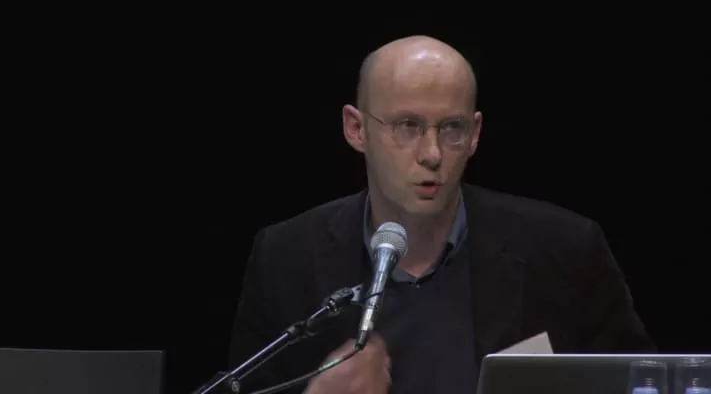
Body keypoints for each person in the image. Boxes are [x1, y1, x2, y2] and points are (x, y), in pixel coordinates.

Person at [227, 35, 655, 394]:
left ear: (475, 134)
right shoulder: (286, 257)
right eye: (407, 126)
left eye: (452, 128)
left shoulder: (564, 251)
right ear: (356, 129)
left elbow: (643, 383)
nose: (431, 154)